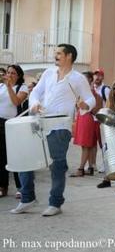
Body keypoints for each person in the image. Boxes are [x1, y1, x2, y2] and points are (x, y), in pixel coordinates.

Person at [10, 44, 95, 216]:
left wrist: (84, 105)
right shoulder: (49, 73)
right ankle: (27, 198)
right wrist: (34, 104)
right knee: (25, 158)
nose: (55, 56)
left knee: (57, 165)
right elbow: (36, 93)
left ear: (69, 56)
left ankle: (55, 203)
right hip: (38, 122)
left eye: (58, 53)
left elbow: (90, 98)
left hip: (60, 125)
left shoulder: (78, 78)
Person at [0, 64, 28, 198]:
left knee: (14, 156)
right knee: (1, 157)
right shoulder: (0, 86)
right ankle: (2, 186)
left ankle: (20, 186)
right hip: (0, 122)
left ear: (19, 76)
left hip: (12, 124)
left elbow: (16, 102)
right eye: (8, 73)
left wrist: (9, 87)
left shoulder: (22, 88)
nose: (9, 75)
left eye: (13, 73)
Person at [70, 71, 103, 177]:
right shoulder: (85, 90)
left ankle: (81, 168)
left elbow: (90, 106)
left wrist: (81, 104)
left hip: (88, 117)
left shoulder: (90, 91)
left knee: (86, 144)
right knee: (89, 144)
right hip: (83, 116)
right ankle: (90, 166)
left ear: (89, 79)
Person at [97, 81, 115, 191]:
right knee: (108, 153)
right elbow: (106, 114)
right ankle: (108, 178)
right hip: (112, 129)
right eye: (114, 88)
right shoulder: (111, 100)